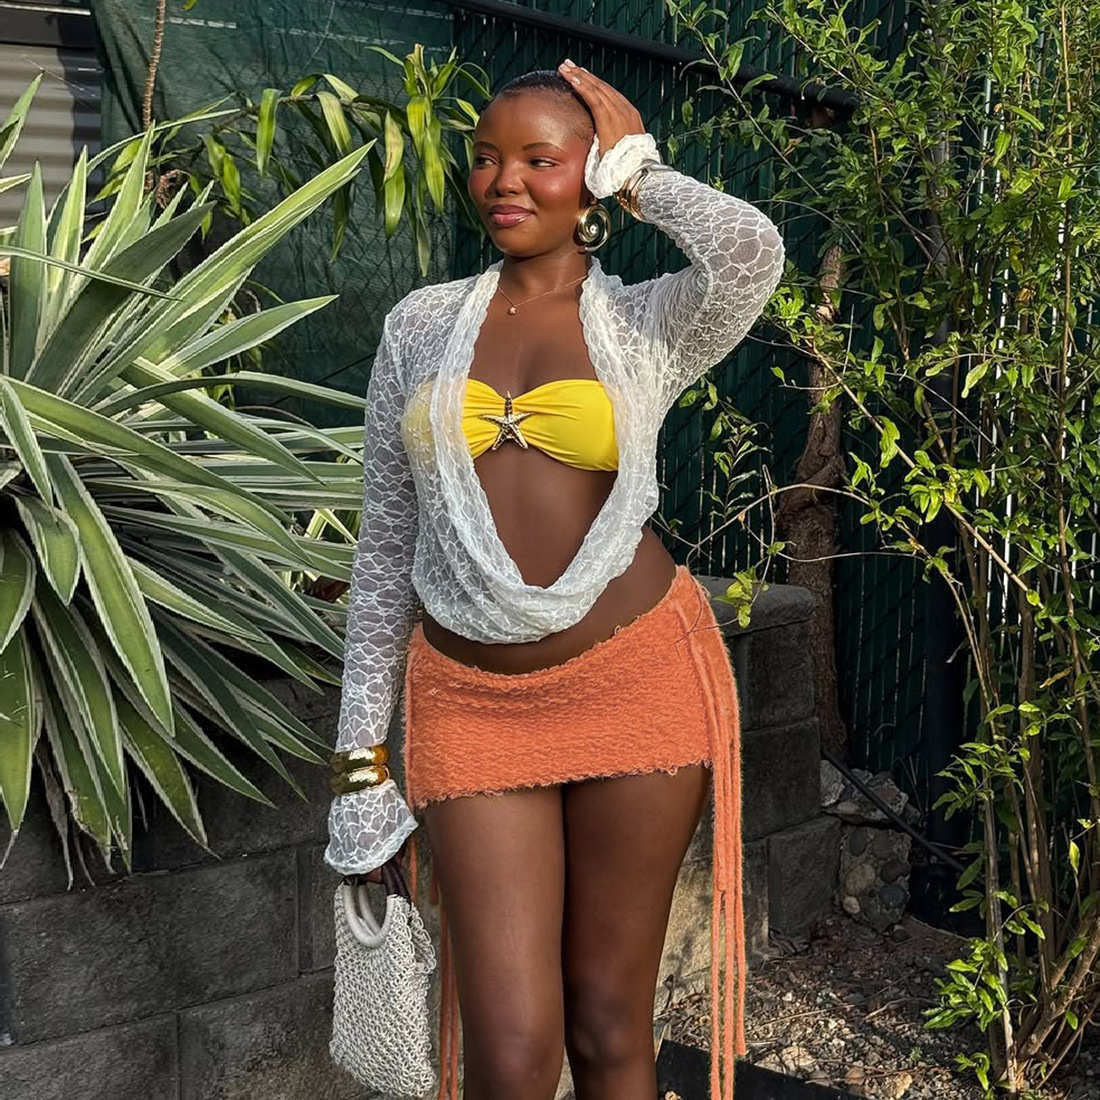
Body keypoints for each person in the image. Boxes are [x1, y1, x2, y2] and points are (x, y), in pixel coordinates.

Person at [325, 58, 785, 1100]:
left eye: (540, 159)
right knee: (510, 1051)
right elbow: (385, 551)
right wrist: (358, 767)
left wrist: (643, 174)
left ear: (589, 178)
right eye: (486, 158)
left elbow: (749, 251)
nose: (504, 181)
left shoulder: (647, 321)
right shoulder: (417, 326)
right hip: (470, 702)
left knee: (610, 1023)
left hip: (637, 680)